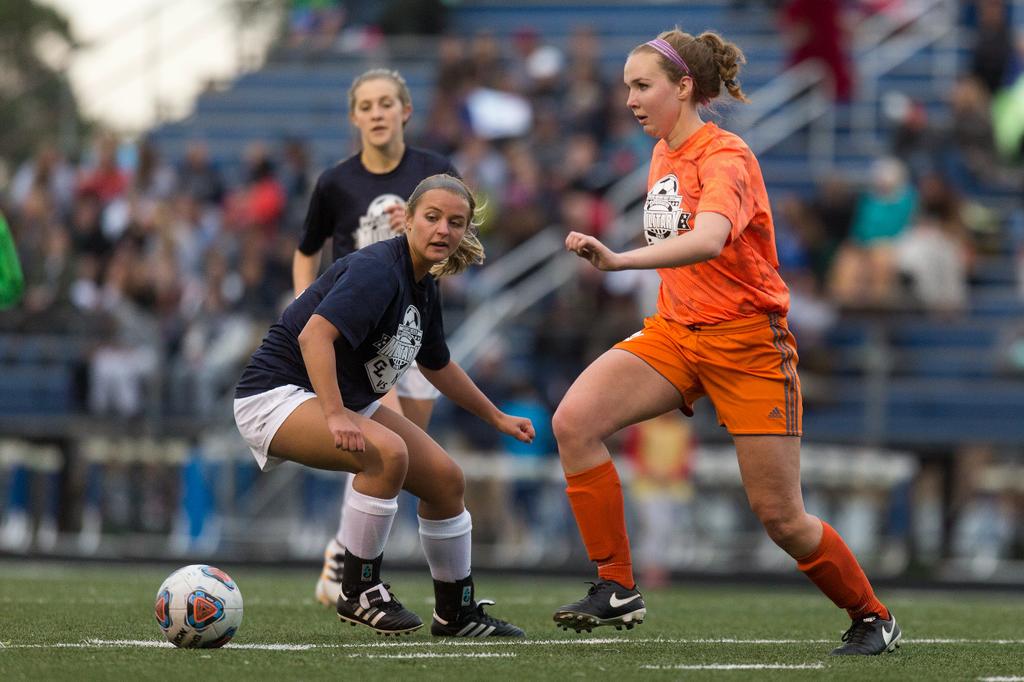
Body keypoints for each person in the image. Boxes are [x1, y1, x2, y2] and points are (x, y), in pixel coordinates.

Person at [550, 29, 901, 656]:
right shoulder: (661, 153)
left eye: (642, 85)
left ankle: (872, 615)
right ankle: (616, 584)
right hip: (677, 334)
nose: (629, 98)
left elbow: (710, 239)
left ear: (684, 88)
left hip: (747, 345)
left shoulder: (726, 157)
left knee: (781, 519)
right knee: (573, 422)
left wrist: (619, 260)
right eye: (626, 85)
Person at [236, 174, 532, 636]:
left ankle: (456, 612)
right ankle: (358, 590)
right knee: (387, 453)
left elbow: (437, 365)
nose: (443, 230)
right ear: (408, 220)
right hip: (276, 394)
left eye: (455, 222)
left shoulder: (423, 283)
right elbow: (315, 337)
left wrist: (495, 415)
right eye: (432, 217)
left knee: (446, 480)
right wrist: (334, 414)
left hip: (337, 396)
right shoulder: (380, 269)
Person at [291, 68, 460, 607]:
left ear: (406, 110)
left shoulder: (435, 172)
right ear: (354, 117)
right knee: (376, 440)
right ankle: (349, 565)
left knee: (413, 454)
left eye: (387, 102)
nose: (377, 112)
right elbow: (307, 249)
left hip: (410, 327)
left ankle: (358, 556)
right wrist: (305, 307)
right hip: (360, 333)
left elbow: (458, 244)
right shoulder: (336, 181)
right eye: (366, 105)